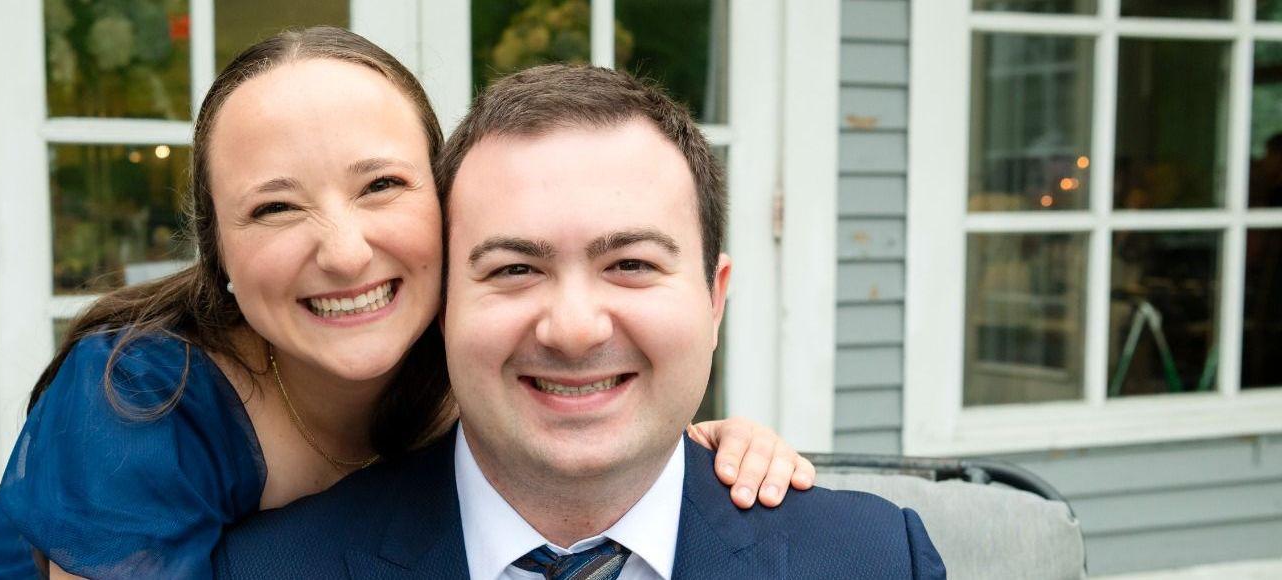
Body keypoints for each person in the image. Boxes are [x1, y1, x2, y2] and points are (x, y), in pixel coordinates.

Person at [0, 28, 815, 580]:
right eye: (275, 208)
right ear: (218, 255)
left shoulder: (471, 358)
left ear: (449, 209)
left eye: (381, 186)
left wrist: (706, 443)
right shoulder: (139, 405)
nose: (344, 252)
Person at [215, 64, 946, 579]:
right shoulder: (267, 569)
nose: (573, 329)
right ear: (443, 308)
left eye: (630, 264)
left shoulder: (875, 559)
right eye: (514, 269)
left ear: (713, 299)